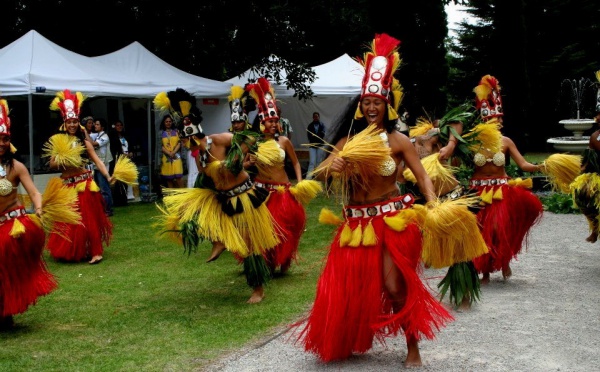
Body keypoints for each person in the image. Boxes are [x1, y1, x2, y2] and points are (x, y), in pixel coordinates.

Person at [295, 33, 453, 366]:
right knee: (348, 289)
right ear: (359, 105)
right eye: (366, 102)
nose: (370, 107)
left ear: (386, 105)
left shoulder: (399, 140)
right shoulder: (347, 140)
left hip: (390, 220)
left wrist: (431, 200)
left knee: (395, 286)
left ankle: (412, 346)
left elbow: (421, 173)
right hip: (355, 224)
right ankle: (349, 339)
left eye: (376, 102)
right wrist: (332, 165)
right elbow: (320, 174)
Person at [154, 88, 280, 304]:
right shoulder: (199, 159)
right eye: (185, 140)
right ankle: (219, 240)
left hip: (245, 197)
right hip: (225, 199)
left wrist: (237, 159)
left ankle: (258, 289)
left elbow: (250, 137)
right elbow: (207, 182)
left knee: (250, 244)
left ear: (197, 133)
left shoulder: (219, 140)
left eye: (190, 138)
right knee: (201, 215)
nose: (188, 143)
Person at [469, 75, 544, 284]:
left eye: (501, 118)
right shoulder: (471, 142)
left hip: (501, 190)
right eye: (495, 118)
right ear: (485, 119)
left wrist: (542, 166)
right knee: (481, 231)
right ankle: (483, 271)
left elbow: (523, 164)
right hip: (478, 192)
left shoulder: (506, 141)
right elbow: (456, 163)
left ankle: (503, 261)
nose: (500, 122)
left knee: (497, 230)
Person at [245, 78, 322, 275]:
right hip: (261, 192)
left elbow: (296, 162)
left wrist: (300, 181)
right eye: (270, 121)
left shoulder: (284, 141)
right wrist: (248, 164)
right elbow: (240, 164)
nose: (274, 124)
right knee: (265, 229)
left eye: (275, 121)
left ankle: (283, 258)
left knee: (284, 229)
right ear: (262, 122)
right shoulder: (253, 142)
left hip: (282, 191)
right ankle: (268, 261)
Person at [0, 97, 57, 330]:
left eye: (5, 139)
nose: (2, 143)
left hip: (13, 227)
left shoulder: (15, 167)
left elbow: (34, 192)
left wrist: (40, 209)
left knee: (6, 270)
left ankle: (7, 312)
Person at [44, 89, 113, 265]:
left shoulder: (84, 142)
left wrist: (107, 176)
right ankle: (74, 251)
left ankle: (96, 252)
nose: (73, 125)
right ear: (64, 123)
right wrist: (63, 157)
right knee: (69, 221)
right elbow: (51, 164)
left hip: (83, 184)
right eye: (70, 122)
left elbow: (97, 161)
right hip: (67, 185)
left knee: (89, 220)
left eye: (75, 122)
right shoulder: (58, 140)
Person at [570, 73, 600, 242]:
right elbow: (589, 158)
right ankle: (595, 227)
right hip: (598, 176)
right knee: (581, 193)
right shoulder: (594, 136)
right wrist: (580, 171)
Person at [109, 120, 135, 205]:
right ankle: (118, 200)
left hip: (127, 159)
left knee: (126, 179)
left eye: (121, 125)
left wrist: (131, 152)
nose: (119, 127)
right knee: (118, 180)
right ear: (115, 127)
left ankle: (125, 198)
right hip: (119, 160)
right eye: (117, 125)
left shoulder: (126, 136)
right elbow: (114, 150)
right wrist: (121, 154)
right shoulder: (113, 138)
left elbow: (131, 146)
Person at [91, 118, 114, 216]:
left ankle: (108, 210)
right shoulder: (97, 136)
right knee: (100, 189)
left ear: (102, 127)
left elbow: (93, 144)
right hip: (97, 166)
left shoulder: (105, 137)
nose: (95, 126)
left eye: (97, 124)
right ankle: (104, 209)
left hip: (103, 165)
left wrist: (84, 132)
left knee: (104, 188)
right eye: (95, 124)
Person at [159, 114, 184, 188]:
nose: (168, 123)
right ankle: (171, 196)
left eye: (170, 121)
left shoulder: (176, 132)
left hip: (176, 156)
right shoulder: (161, 133)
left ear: (172, 122)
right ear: (164, 123)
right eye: (166, 121)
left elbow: (179, 143)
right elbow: (160, 146)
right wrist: (169, 153)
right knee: (169, 178)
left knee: (178, 177)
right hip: (166, 157)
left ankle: (184, 194)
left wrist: (173, 152)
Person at [305, 112, 326, 179]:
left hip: (320, 145)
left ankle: (318, 177)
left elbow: (323, 134)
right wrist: (316, 137)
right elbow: (309, 136)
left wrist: (315, 136)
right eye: (314, 117)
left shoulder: (322, 125)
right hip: (312, 146)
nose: (315, 118)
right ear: (313, 117)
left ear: (319, 117)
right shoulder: (310, 126)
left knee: (319, 162)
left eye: (317, 116)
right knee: (312, 162)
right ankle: (308, 178)